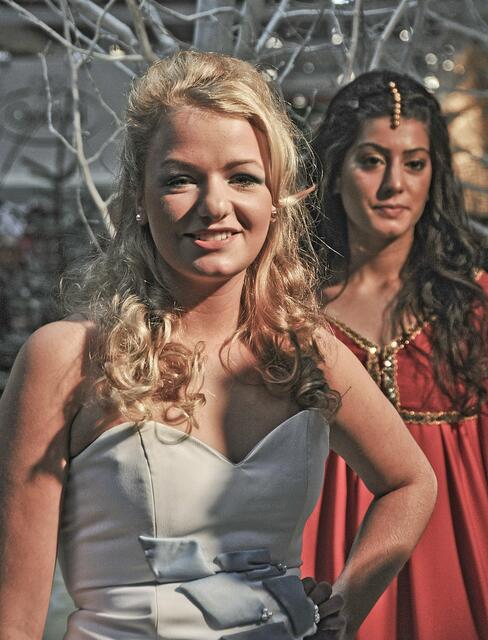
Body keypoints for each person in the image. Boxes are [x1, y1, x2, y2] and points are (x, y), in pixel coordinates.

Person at [0, 53, 437, 640]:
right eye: (180, 179)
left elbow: (411, 484)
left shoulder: (308, 356)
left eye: (242, 178)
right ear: (138, 197)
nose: (214, 205)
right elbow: (13, 617)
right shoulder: (65, 360)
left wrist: (344, 606)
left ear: (275, 198)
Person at [302, 70, 488, 640]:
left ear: (435, 175)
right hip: (325, 569)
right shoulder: (289, 315)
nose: (394, 185)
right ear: (335, 173)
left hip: (464, 570)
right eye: (371, 161)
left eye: (414, 163)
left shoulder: (477, 309)